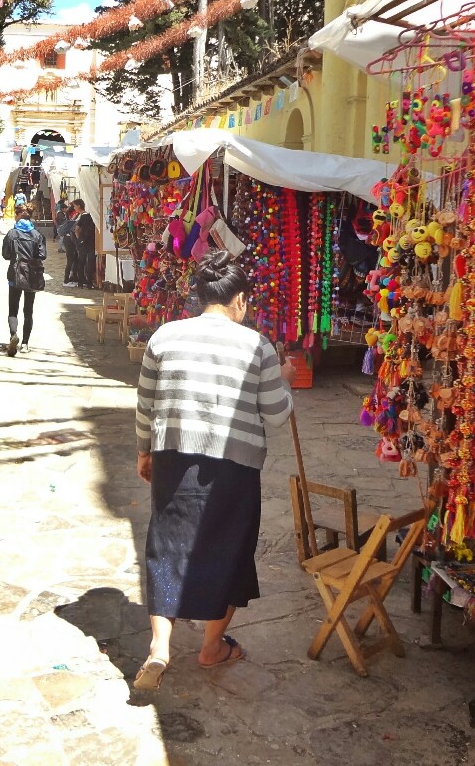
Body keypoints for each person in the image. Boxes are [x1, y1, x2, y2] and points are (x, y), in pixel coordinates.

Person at [130, 250, 296, 690]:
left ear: (201, 297)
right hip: (233, 467)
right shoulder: (257, 346)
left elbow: (145, 404)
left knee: (167, 547)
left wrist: (144, 452)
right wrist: (284, 377)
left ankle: (159, 648)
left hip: (173, 458)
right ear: (239, 300)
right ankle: (211, 647)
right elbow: (277, 413)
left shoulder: (164, 337)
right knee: (229, 551)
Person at [0, 205, 47, 356]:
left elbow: (5, 255)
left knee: (13, 309)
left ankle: (13, 335)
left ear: (19, 216)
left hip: (15, 273)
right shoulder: (37, 235)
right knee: (28, 310)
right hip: (31, 275)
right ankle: (25, 343)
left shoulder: (12, 233)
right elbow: (42, 255)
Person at [71, 199, 97, 288]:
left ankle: (81, 282)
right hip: (92, 241)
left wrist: (79, 239)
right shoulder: (94, 217)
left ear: (79, 206)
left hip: (83, 242)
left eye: (75, 206)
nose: (74, 208)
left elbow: (76, 230)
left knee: (81, 262)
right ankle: (89, 282)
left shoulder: (83, 216)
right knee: (90, 262)